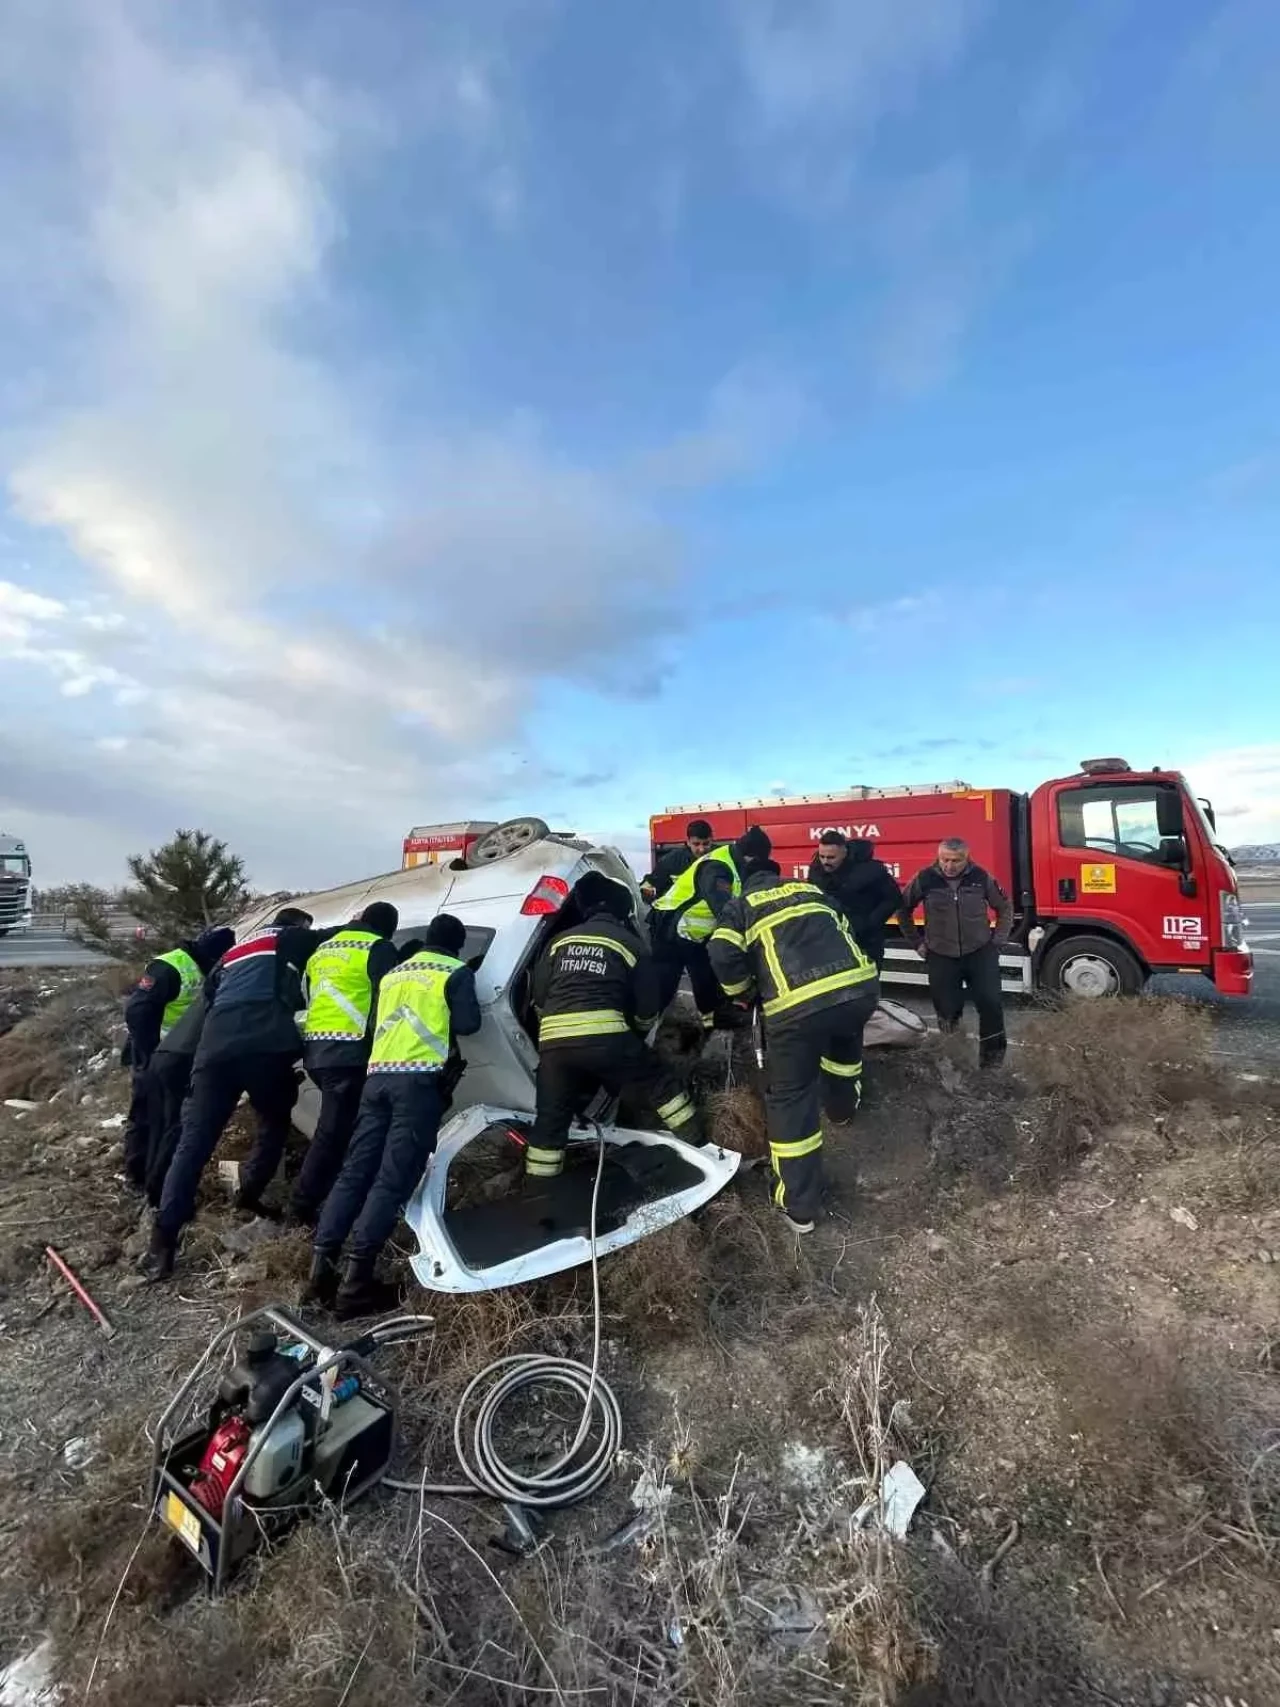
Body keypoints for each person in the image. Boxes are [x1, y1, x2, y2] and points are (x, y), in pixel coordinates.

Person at [303, 914, 481, 1319]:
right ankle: (356, 1284)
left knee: (355, 1172)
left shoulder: (394, 973)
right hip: (416, 1085)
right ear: (455, 945)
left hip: (377, 1078)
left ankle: (320, 1275)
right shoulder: (453, 971)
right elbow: (470, 1024)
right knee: (392, 1179)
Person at [143, 906, 320, 1280]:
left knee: (193, 1143)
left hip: (214, 1051)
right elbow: (341, 937)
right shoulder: (291, 936)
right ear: (300, 925)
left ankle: (163, 1241)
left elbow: (208, 1001)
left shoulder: (230, 954)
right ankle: (251, 1194)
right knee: (273, 1120)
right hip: (265, 1044)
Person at [708, 861, 878, 1234]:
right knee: (843, 1054)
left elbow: (720, 952)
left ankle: (799, 1207)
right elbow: (847, 927)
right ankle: (842, 1110)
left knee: (791, 1097)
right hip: (858, 988)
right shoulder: (811, 890)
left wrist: (743, 993)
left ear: (747, 883)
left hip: (796, 1007)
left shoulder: (741, 905)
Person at [522, 870, 705, 1185]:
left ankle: (537, 1189)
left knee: (550, 1120)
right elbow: (648, 1005)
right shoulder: (628, 943)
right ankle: (701, 1148)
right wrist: (635, 1033)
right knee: (659, 1083)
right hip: (607, 1039)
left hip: (554, 1048)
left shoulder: (558, 941)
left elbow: (538, 994)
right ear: (622, 912)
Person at [288, 901, 402, 1227]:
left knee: (346, 1128)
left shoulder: (324, 949)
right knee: (334, 1132)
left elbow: (309, 995)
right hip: (349, 1052)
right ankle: (304, 1204)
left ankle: (342, 1196)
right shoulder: (377, 948)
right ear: (387, 929)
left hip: (318, 1050)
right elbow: (387, 1000)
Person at [121, 927, 234, 1190]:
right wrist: (148, 1054)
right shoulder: (170, 966)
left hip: (175, 1056)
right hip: (154, 1054)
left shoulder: (204, 966)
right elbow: (138, 1011)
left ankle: (148, 1177)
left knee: (166, 1119)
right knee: (149, 1117)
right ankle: (139, 1178)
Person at [898, 838, 1014, 1068]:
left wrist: (997, 942)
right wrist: (917, 943)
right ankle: (956, 1062)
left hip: (980, 953)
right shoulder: (925, 878)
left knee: (991, 1007)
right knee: (948, 1013)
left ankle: (992, 1067)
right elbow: (902, 909)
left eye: (955, 861)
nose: (949, 865)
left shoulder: (981, 877)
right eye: (945, 860)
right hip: (941, 955)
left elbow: (1005, 907)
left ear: (966, 858)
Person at [648, 826, 773, 1031]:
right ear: (750, 856)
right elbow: (724, 910)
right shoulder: (718, 868)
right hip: (671, 930)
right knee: (665, 985)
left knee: (705, 979)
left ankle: (710, 1024)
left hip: (694, 934)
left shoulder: (733, 862)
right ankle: (647, 1030)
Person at [143, 989, 210, 1208]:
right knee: (177, 1128)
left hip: (165, 1054)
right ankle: (159, 1193)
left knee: (161, 1127)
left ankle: (152, 1186)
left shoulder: (218, 987)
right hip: (182, 1061)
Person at [808, 831, 903, 970]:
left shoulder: (870, 870)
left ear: (844, 852)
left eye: (831, 857)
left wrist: (869, 924)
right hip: (831, 941)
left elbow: (893, 899)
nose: (825, 862)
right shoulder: (816, 870)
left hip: (865, 942)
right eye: (822, 856)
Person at [640, 819, 714, 903]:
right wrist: (646, 891)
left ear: (711, 840)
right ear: (688, 842)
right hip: (680, 914)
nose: (701, 849)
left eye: (706, 844)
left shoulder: (723, 855)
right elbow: (652, 882)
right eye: (696, 844)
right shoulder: (672, 860)